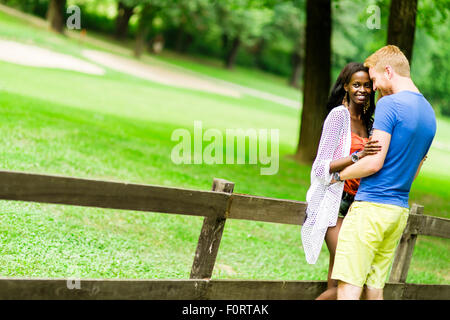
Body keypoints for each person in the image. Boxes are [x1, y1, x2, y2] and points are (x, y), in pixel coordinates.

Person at [330, 45, 436, 300]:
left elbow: (373, 163)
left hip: (371, 209)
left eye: (374, 79)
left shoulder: (390, 104)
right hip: (397, 212)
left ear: (388, 71)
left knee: (348, 287)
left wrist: (336, 176)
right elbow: (415, 170)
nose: (373, 88)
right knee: (375, 290)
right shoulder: (430, 114)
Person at [301, 62, 381, 300]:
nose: (362, 90)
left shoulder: (369, 122)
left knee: (338, 281)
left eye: (367, 85)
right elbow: (320, 167)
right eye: (356, 84)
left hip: (357, 207)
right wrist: (357, 155)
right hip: (333, 205)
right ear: (346, 86)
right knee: (351, 277)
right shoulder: (339, 116)